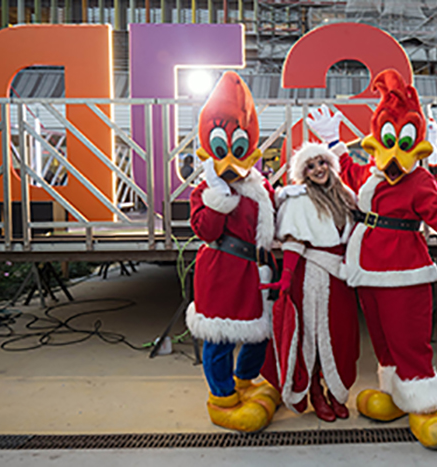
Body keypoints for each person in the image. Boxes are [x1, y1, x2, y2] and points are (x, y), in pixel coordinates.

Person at [307, 69, 437, 450]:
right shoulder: (373, 171)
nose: (394, 152)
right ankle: (397, 395)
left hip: (403, 271)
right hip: (367, 271)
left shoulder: (419, 181)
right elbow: (348, 170)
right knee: (382, 339)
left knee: (409, 340)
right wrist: (333, 141)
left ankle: (426, 406)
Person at [184, 71, 280, 433]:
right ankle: (221, 397)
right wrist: (217, 197)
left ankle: (245, 381)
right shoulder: (202, 190)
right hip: (222, 268)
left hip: (257, 271)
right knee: (219, 336)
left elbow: (271, 225)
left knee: (259, 334)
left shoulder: (260, 187)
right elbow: (205, 230)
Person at [261, 142, 360, 422]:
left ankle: (336, 392)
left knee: (341, 336)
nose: (318, 169)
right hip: (310, 275)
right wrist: (287, 278)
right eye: (311, 166)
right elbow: (293, 240)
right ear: (303, 172)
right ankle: (315, 391)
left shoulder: (345, 196)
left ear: (330, 165)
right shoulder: (300, 199)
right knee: (310, 337)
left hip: (340, 276)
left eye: (322, 163)